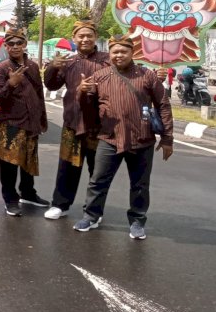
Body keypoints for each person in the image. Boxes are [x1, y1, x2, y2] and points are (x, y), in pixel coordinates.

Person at [74, 35, 174, 240]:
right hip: (109, 138)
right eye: (115, 52)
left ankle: (137, 221)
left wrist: (167, 138)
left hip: (142, 139)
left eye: (123, 51)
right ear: (110, 54)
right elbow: (87, 110)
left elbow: (163, 105)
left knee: (140, 184)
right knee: (98, 181)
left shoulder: (147, 76)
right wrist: (83, 93)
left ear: (132, 53)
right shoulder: (99, 76)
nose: (119, 55)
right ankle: (91, 216)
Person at [42, 20, 110, 220]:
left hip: (99, 125)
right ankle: (60, 205)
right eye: (81, 36)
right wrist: (53, 68)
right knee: (67, 167)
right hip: (73, 121)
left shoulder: (108, 61)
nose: (85, 39)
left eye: (89, 35)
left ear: (95, 37)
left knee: (97, 171)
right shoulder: (68, 62)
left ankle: (94, 210)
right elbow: (51, 85)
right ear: (74, 38)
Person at [0, 28, 48, 216]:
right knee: (9, 163)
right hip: (11, 124)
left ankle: (28, 193)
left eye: (19, 43)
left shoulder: (32, 66)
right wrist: (12, 83)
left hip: (31, 122)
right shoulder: (1, 69)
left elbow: (39, 94)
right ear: (6, 46)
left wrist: (42, 119)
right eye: (11, 44)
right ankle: (10, 198)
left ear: (24, 44)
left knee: (29, 161)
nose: (15, 47)